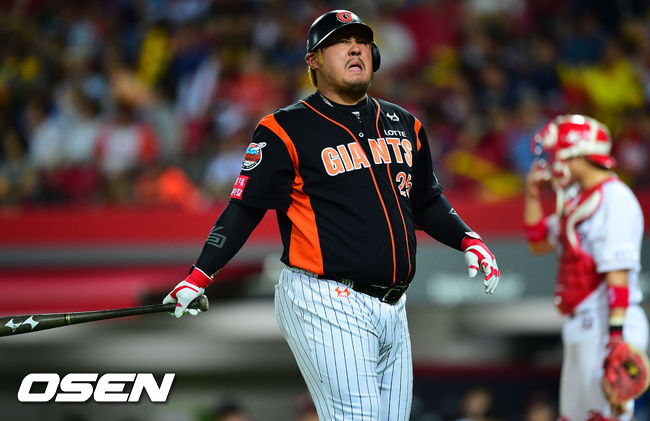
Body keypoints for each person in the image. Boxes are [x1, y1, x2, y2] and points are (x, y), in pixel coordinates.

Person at [163, 10, 501, 421]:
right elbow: (245, 208)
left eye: (362, 41)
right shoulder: (284, 128)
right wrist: (200, 275)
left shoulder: (404, 123)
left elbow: (426, 200)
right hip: (324, 297)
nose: (355, 48)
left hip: (394, 304)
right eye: (340, 42)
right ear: (314, 60)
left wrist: (469, 239)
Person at [523, 114, 648, 420]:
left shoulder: (615, 197)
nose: (554, 163)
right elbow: (538, 242)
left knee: (604, 417)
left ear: (578, 154)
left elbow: (617, 273)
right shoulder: (578, 200)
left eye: (558, 154)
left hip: (607, 320)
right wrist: (532, 196)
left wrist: (616, 338)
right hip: (582, 322)